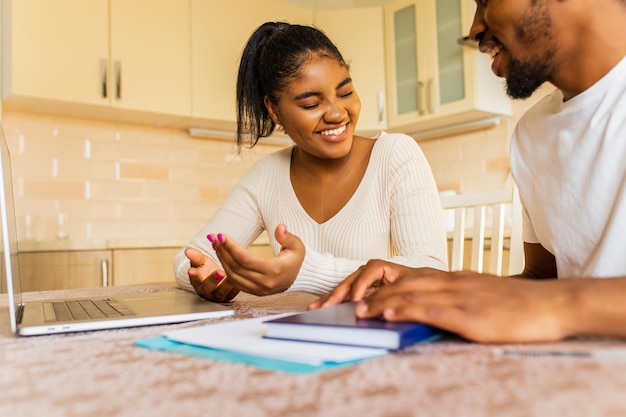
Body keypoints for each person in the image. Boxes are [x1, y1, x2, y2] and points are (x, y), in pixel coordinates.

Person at [310, 0, 626, 343]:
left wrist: (561, 306)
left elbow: (552, 300)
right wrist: (440, 286)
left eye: (486, 1)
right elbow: (543, 284)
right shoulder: (532, 133)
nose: (475, 28)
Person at [173, 22, 448, 302]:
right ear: (274, 110)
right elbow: (191, 259)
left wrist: (302, 272)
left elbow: (431, 273)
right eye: (311, 104)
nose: (337, 113)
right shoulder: (268, 175)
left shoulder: (395, 155)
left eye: (345, 93)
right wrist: (211, 278)